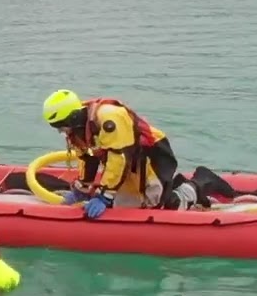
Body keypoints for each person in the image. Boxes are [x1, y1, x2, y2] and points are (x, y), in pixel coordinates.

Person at [40, 89, 200, 217]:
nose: (61, 131)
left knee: (156, 205)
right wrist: (83, 188)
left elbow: (119, 159)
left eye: (61, 126)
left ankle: (196, 186)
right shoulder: (79, 128)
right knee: (124, 202)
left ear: (73, 118)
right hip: (127, 159)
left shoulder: (109, 119)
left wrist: (105, 196)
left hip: (150, 153)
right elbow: (88, 157)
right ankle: (170, 185)